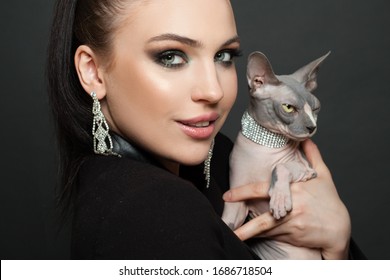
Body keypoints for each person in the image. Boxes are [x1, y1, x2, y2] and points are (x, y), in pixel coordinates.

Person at [47, 0, 365, 259]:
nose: (213, 91)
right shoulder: (150, 211)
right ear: (93, 72)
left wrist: (336, 240)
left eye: (223, 56)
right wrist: (336, 247)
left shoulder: (220, 153)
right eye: (171, 56)